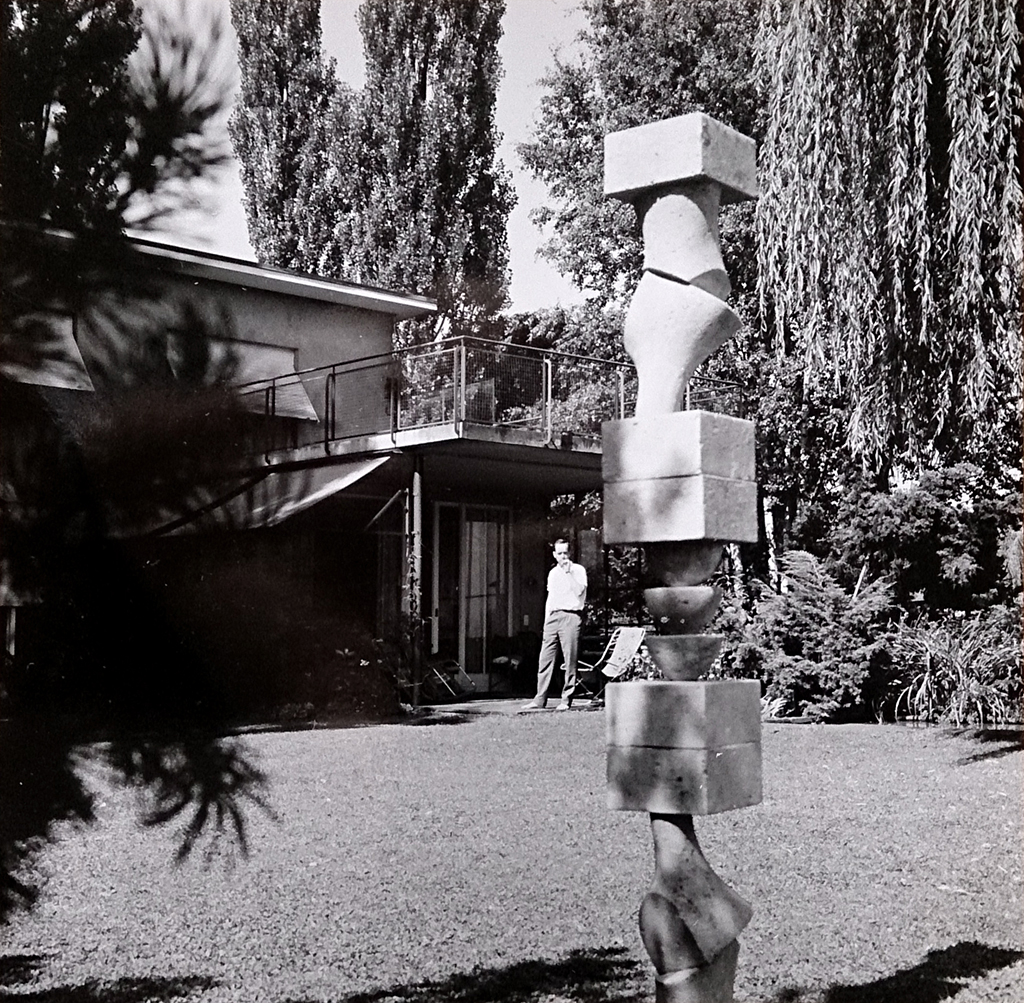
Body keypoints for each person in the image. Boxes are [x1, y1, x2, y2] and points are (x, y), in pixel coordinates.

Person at [521, 538, 587, 711]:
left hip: (571, 616)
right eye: (560, 553)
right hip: (553, 617)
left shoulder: (578, 570)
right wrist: (545, 621)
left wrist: (568, 573)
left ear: (570, 553)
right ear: (554, 555)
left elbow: (579, 590)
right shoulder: (552, 573)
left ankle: (566, 699)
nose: (563, 556)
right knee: (545, 658)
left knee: (569, 659)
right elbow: (550, 599)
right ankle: (539, 698)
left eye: (566, 552)